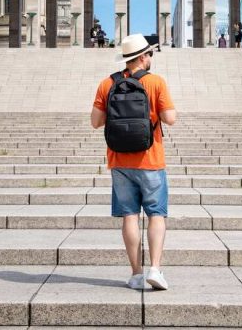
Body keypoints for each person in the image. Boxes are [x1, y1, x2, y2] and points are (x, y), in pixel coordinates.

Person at [91, 33, 177, 291]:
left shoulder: (107, 84)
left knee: (129, 216)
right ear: (142, 57)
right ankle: (155, 269)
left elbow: (95, 122)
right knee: (156, 215)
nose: (151, 57)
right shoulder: (156, 82)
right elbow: (170, 118)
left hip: (119, 160)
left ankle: (136, 274)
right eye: (150, 53)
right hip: (150, 159)